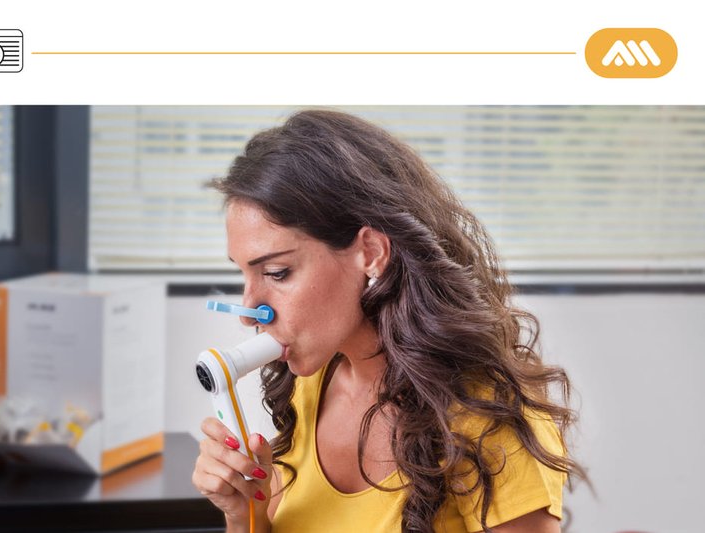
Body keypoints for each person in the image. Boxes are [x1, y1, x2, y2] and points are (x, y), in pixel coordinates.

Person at [192, 109, 584, 533]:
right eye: (244, 274)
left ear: (371, 253)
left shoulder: (487, 418)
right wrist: (242, 515)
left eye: (277, 272)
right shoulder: (310, 385)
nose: (250, 309)